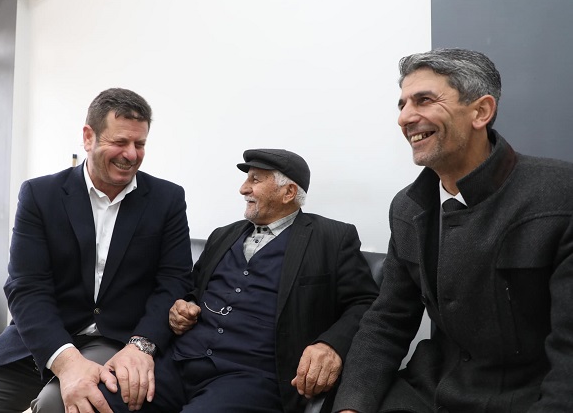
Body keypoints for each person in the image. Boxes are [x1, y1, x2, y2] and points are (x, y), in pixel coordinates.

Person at [0, 88, 194, 413]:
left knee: (58, 405)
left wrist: (142, 345)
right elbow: (26, 287)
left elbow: (174, 282)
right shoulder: (40, 195)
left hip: (116, 343)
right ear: (88, 137)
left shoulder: (166, 199)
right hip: (40, 340)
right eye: (120, 142)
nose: (131, 154)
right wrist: (65, 361)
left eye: (140, 144)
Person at [332, 48, 573, 413]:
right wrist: (352, 406)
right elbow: (387, 320)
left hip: (525, 398)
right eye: (402, 105)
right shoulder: (407, 207)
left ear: (481, 111)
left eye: (424, 100)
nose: (405, 117)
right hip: (428, 392)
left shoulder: (559, 195)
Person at [103, 148, 380, 413]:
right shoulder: (222, 235)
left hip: (251, 378)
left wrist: (331, 345)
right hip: (178, 362)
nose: (243, 188)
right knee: (101, 401)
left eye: (255, 180)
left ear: (288, 192)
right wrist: (183, 307)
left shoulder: (332, 238)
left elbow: (364, 302)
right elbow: (192, 291)